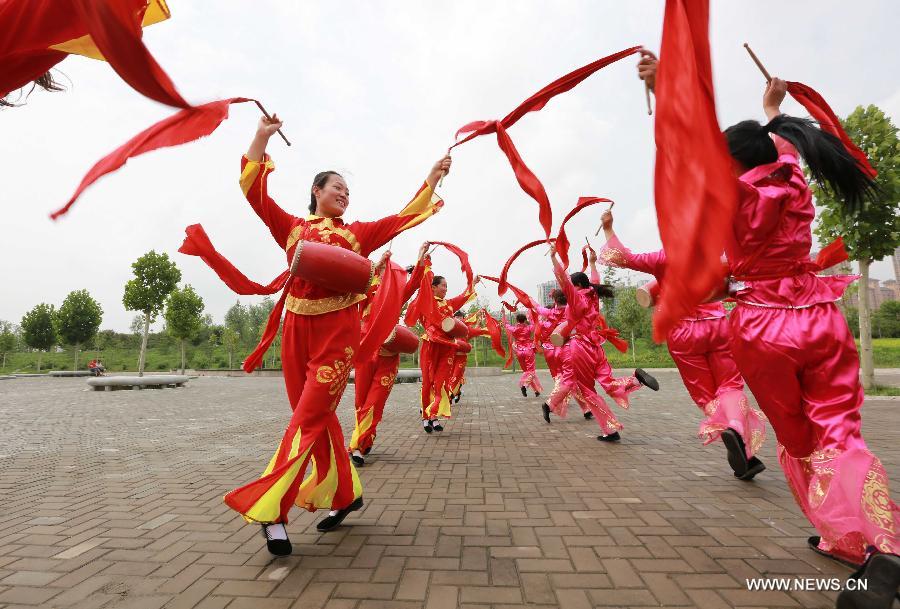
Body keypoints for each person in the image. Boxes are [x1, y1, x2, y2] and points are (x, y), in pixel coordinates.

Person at [639, 57, 899, 604]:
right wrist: (773, 110)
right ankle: (883, 544)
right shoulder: (793, 181)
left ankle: (846, 538)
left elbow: (689, 150)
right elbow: (782, 147)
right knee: (842, 435)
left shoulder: (735, 197)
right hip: (822, 315)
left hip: (763, 325)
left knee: (800, 441)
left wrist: (666, 87)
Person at [222, 115, 452, 555]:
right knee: (314, 417)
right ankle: (345, 494)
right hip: (295, 329)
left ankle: (272, 512)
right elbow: (253, 191)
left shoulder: (357, 235)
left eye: (348, 192)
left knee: (306, 419)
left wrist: (432, 176)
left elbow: (403, 217)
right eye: (337, 188)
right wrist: (261, 136)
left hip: (337, 335)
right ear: (317, 191)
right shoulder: (292, 227)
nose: (344, 195)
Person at [598, 210, 767, 481]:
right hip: (717, 325)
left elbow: (622, 258)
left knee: (705, 394)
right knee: (731, 386)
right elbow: (737, 281)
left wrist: (608, 227)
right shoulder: (715, 253)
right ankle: (738, 432)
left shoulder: (662, 257)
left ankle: (735, 439)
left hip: (683, 332)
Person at [543, 245, 657, 441]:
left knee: (588, 391)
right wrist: (593, 263)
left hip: (579, 348)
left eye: (572, 286)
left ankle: (610, 431)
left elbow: (564, 280)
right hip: (595, 347)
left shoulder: (577, 299)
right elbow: (594, 281)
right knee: (608, 383)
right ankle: (635, 380)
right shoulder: (593, 295)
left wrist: (554, 258)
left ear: (577, 285)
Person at [348, 243, 429, 467]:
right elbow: (354, 284)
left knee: (375, 403)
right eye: (383, 270)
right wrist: (377, 265)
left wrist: (420, 257)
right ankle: (365, 439)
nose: (386, 274)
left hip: (389, 356)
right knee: (360, 402)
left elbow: (413, 284)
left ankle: (356, 446)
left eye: (390, 271)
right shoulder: (365, 292)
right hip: (365, 352)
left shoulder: (396, 294)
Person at [408, 262, 476, 433]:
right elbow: (422, 288)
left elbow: (463, 296)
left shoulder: (449, 304)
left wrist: (473, 283)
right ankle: (426, 417)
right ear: (434, 287)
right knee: (428, 382)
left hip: (447, 347)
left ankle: (434, 416)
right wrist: (421, 270)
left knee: (441, 382)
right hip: (431, 345)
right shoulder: (426, 301)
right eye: (443, 285)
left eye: (446, 286)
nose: (446, 289)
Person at [447, 310, 491, 404]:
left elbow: (478, 331)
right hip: (450, 357)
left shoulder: (467, 330)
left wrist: (491, 328)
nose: (458, 319)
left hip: (461, 358)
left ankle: (448, 397)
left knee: (456, 376)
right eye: (456, 317)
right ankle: (456, 392)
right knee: (450, 377)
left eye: (460, 317)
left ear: (463, 318)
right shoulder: (450, 329)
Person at [504, 312, 543, 397]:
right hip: (528, 350)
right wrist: (531, 313)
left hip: (519, 351)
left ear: (517, 320)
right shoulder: (529, 327)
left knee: (527, 372)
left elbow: (506, 324)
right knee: (531, 371)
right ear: (525, 320)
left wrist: (503, 314)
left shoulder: (514, 329)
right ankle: (524, 385)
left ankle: (536, 390)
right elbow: (536, 322)